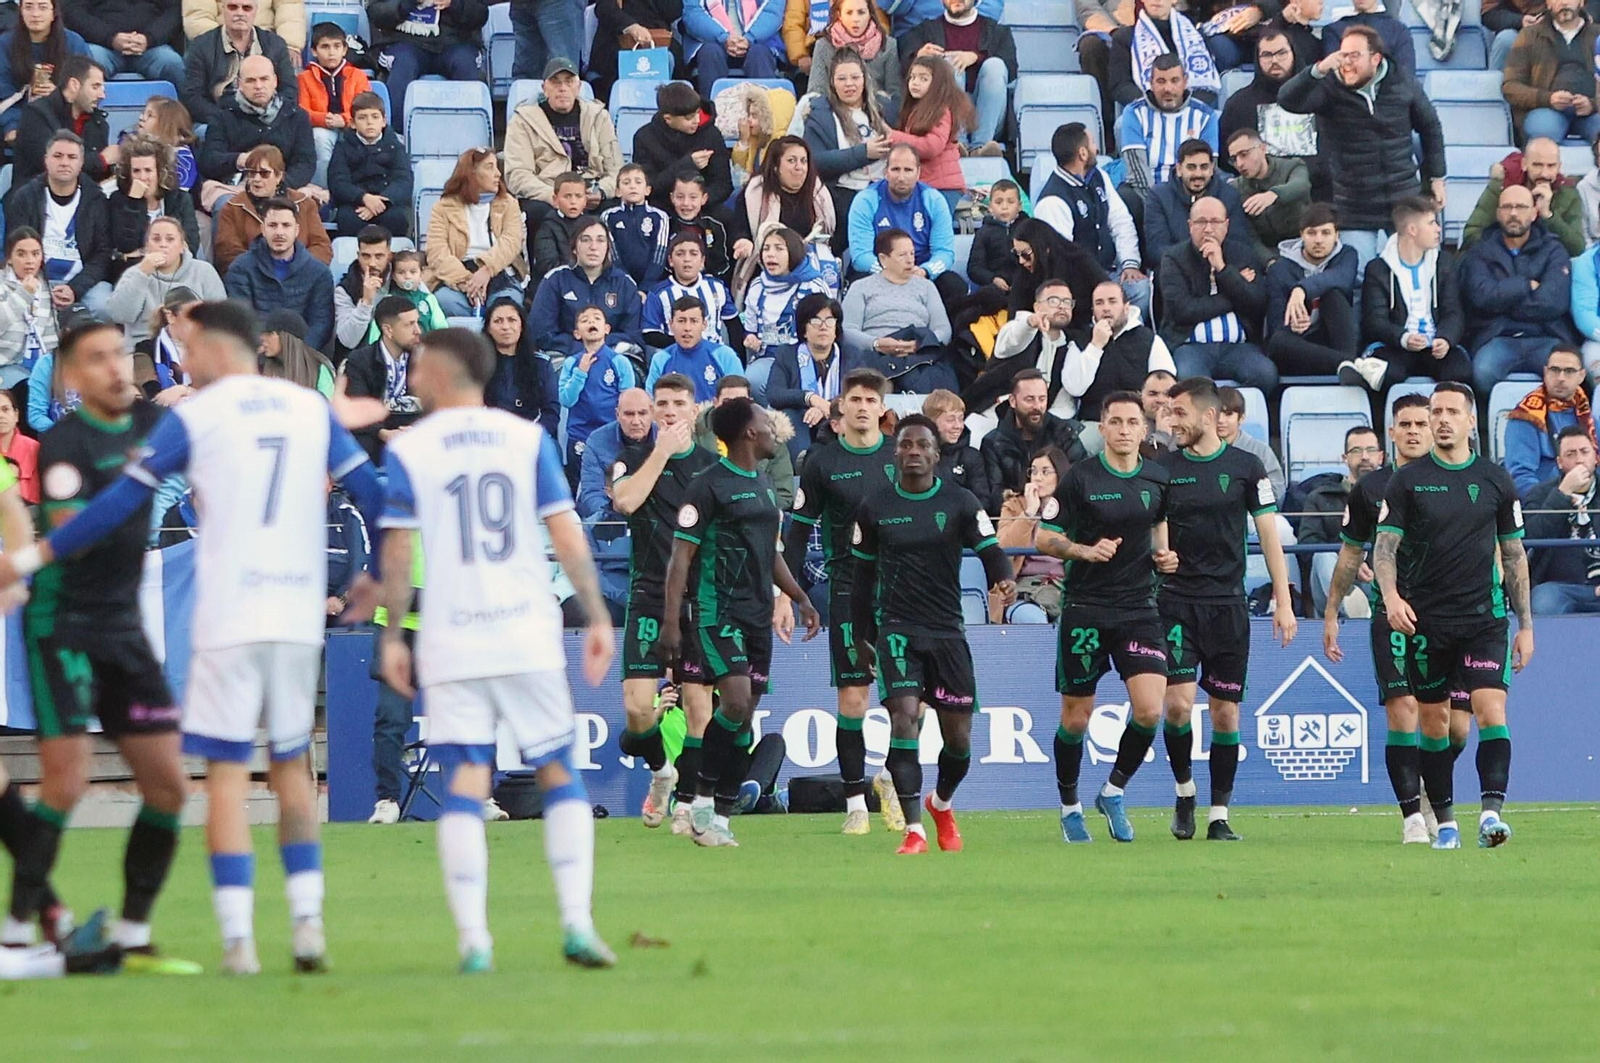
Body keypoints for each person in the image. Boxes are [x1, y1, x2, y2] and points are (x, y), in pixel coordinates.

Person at [0, 299, 385, 974]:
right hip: (280, 616)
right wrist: (380, 575)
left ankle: (224, 938)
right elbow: (376, 498)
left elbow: (122, 503)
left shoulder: (191, 417)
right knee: (291, 766)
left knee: (218, 776)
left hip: (218, 618)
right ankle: (305, 926)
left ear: (219, 347)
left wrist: (32, 555)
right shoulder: (306, 408)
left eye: (191, 344)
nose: (181, 355)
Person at [359, 323, 615, 969]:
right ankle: (577, 922)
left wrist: (392, 633)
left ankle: (475, 938)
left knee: (467, 782)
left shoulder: (412, 452)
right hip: (525, 628)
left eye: (420, 366)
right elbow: (565, 533)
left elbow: (395, 551)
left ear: (445, 372)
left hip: (452, 636)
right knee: (559, 771)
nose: (412, 377)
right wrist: (595, 614)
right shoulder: (525, 438)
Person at [0, 320, 195, 972]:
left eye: (119, 353)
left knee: (168, 784)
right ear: (72, 378)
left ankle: (134, 933)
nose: (114, 367)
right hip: (66, 623)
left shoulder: (155, 427)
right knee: (66, 780)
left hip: (124, 627)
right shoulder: (63, 444)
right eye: (97, 359)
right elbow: (81, 530)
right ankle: (16, 931)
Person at [1373, 382, 1532, 850]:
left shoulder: (1496, 480)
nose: (1441, 419)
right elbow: (1385, 547)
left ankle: (1490, 814)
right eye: (1435, 411)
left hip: (1484, 619)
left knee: (1490, 709)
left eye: (1450, 412)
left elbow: (1514, 555)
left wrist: (1526, 625)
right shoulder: (1407, 480)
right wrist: (1391, 596)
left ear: (1470, 422)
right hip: (1427, 623)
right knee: (1437, 723)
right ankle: (1445, 823)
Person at [660, 395, 821, 848]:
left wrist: (799, 597)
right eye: (766, 424)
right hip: (718, 611)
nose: (774, 431)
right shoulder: (707, 485)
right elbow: (680, 558)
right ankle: (699, 797)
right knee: (732, 701)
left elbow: (769, 553)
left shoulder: (766, 485)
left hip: (756, 616)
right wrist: (673, 623)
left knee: (745, 717)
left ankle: (722, 813)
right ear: (750, 432)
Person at [851, 413, 1012, 853]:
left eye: (923, 446)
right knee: (904, 717)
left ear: (937, 455)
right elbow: (861, 580)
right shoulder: (875, 507)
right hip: (897, 629)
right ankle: (914, 830)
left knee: (958, 742)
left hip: (947, 631)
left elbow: (990, 547)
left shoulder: (959, 502)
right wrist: (861, 637)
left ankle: (940, 803)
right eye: (906, 445)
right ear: (896, 452)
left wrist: (1004, 577)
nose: (914, 453)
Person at [1322, 338, 1455, 844]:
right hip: (1390, 610)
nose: (1416, 431)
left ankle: (1431, 790)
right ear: (1392, 433)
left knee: (1449, 723)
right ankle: (1412, 819)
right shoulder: (1371, 489)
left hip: (1451, 614)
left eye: (1424, 423)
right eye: (1407, 425)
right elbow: (1351, 552)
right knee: (1401, 708)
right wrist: (1333, 612)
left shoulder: (1457, 479)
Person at [1156, 376, 1295, 842]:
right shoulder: (1164, 469)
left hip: (1228, 606)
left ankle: (1219, 814)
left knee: (1225, 715)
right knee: (1176, 706)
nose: (1172, 421)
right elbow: (1149, 530)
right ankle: (1184, 791)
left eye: (1180, 413)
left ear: (1209, 417)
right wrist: (1159, 556)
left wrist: (1284, 599)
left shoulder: (1246, 467)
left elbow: (1269, 535)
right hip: (1176, 602)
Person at [1035, 390, 1176, 843]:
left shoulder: (1157, 479)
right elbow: (1044, 536)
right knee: (1077, 719)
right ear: (1102, 428)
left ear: (1144, 429)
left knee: (1151, 710)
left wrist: (1164, 557)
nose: (1123, 430)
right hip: (1086, 609)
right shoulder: (1079, 479)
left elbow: (1158, 526)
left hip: (1139, 608)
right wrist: (1082, 550)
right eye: (1114, 422)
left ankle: (1114, 790)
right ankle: (1070, 805)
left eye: (1132, 422)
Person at [782, 367, 903, 832]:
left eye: (870, 399)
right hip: (850, 592)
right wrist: (788, 594)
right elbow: (796, 534)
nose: (862, 406)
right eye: (854, 399)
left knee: (910, 701)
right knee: (853, 700)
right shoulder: (821, 463)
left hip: (900, 593)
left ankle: (890, 777)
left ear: (881, 408)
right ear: (841, 409)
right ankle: (855, 803)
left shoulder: (900, 456)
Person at [610, 373, 718, 827]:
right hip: (650, 595)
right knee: (638, 709)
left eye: (678, 403)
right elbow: (626, 503)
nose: (669, 411)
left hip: (698, 598)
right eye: (662, 404)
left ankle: (690, 802)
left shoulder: (713, 466)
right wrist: (661, 452)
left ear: (694, 410)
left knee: (698, 707)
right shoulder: (632, 458)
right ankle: (661, 772)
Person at [1277, 25, 1445, 270]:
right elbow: (1287, 99)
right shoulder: (1330, 88)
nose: (1346, 63)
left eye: (1354, 56)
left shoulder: (1402, 82)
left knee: (1421, 272)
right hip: (1355, 207)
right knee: (1356, 279)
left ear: (1375, 58)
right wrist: (1319, 69)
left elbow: (1430, 127)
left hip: (1404, 198)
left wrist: (1436, 177)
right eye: (1343, 55)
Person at [1460, 183, 1578, 398]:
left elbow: (1553, 302)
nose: (1513, 213)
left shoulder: (1553, 250)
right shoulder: (1480, 251)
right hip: (1497, 336)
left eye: (1521, 207)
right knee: (1482, 373)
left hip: (1546, 336)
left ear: (1534, 213)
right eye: (1507, 207)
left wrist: (1503, 301)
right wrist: (1525, 285)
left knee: (1565, 378)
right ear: (1497, 213)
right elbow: (1481, 298)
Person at [1158, 196, 1276, 395]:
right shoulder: (1173, 258)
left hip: (1238, 347)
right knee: (1192, 384)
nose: (1208, 229)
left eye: (1215, 222)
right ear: (1190, 225)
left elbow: (1256, 304)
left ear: (1227, 225)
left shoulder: (1243, 254)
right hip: (1190, 346)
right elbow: (1183, 311)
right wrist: (1233, 292)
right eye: (1201, 222)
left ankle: (1231, 417)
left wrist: (1222, 268)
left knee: (1266, 375)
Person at [1355, 196, 1473, 392]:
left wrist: (1445, 338)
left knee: (1459, 370)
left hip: (1435, 345)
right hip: (1394, 345)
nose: (1438, 229)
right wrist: (1404, 338)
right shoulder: (1378, 268)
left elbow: (1454, 312)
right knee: (1387, 375)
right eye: (1431, 223)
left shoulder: (1444, 263)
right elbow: (1374, 322)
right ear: (1412, 230)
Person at [1035, 123, 1147, 311]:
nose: (1097, 148)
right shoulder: (1052, 202)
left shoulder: (1099, 177)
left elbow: (1121, 221)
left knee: (1140, 288)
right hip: (1079, 283)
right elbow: (1063, 262)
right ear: (1083, 153)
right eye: (1093, 143)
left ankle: (1127, 337)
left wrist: (1130, 263)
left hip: (1110, 272)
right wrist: (1102, 285)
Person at [7, 131, 113, 317]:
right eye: (58, 156)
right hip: (34, 278)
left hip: (83, 282)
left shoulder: (96, 199)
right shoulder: (25, 197)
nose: (64, 162)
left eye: (72, 157)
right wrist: (42, 286)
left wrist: (75, 288)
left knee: (104, 306)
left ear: (81, 163)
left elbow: (102, 254)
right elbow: (16, 250)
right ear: (46, 160)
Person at [197, 55, 318, 216]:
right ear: (240, 84)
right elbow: (210, 160)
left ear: (275, 81)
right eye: (251, 81)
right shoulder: (223, 116)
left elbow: (305, 163)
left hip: (284, 184)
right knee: (226, 205)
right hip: (234, 187)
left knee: (304, 204)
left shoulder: (296, 116)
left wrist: (275, 184)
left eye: (264, 79)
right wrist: (242, 160)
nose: (258, 86)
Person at [845, 144, 964, 304]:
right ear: (885, 172)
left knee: (954, 285)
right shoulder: (866, 200)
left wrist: (924, 271)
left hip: (919, 270)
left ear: (918, 173)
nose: (901, 177)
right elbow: (860, 256)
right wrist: (891, 272)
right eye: (895, 169)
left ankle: (944, 329)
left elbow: (944, 253)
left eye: (908, 170)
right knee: (857, 283)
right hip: (880, 270)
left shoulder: (934, 200)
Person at [503, 58, 625, 212]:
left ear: (578, 86)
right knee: (535, 211)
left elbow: (616, 170)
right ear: (544, 88)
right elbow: (517, 174)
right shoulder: (522, 120)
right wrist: (553, 196)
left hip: (590, 190)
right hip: (549, 192)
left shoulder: (599, 116)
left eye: (569, 82)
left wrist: (601, 191)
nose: (562, 88)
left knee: (619, 209)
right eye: (556, 82)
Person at [842, 227, 955, 392]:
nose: (910, 260)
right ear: (883, 259)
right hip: (875, 353)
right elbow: (847, 330)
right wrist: (877, 343)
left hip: (919, 353)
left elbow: (943, 330)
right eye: (902, 255)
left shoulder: (926, 287)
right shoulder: (860, 287)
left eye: (912, 254)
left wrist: (919, 345)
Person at [897, 0, 1013, 158]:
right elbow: (904, 65)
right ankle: (959, 143)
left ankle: (982, 147)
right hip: (944, 120)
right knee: (948, 65)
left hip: (989, 117)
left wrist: (976, 57)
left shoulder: (997, 32)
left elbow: (1011, 68)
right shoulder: (925, 31)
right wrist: (919, 56)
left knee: (995, 65)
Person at [1218, 29, 1322, 198]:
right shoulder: (1238, 105)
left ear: (1294, 53)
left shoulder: (1321, 96)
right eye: (1266, 55)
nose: (1274, 60)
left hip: (1318, 196)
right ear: (1257, 60)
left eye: (1281, 53)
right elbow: (1226, 159)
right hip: (1258, 199)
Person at [427, 148, 529, 318]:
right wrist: (467, 281)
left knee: (505, 307)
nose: (497, 174)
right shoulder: (443, 207)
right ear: (471, 173)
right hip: (457, 274)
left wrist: (487, 270)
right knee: (447, 303)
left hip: (497, 271)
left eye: (496, 167)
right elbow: (436, 252)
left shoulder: (508, 203)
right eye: (489, 167)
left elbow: (511, 242)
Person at [224, 198, 335, 351]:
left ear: (297, 230)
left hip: (304, 356)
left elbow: (321, 324)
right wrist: (269, 350)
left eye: (286, 225)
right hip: (257, 355)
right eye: (273, 225)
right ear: (263, 229)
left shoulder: (319, 273)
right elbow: (241, 321)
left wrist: (296, 354)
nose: (279, 232)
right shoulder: (240, 269)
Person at [803, 47, 894, 232]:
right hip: (843, 194)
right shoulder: (820, 113)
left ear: (865, 79)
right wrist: (863, 153)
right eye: (841, 79)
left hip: (886, 191)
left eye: (855, 77)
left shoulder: (885, 108)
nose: (849, 84)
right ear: (832, 82)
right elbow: (815, 162)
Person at [1265, 202, 1359, 376]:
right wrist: (1292, 326)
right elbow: (1275, 325)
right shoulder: (1280, 269)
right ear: (1301, 235)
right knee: (1278, 341)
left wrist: (1301, 290)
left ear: (1337, 235)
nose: (1318, 240)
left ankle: (1346, 364)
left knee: (1334, 294)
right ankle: (1351, 366)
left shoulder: (1347, 255)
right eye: (1311, 233)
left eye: (1326, 233)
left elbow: (1342, 278)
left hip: (1334, 338)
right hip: (1301, 349)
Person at [1299, 423, 1383, 615]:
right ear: (1345, 458)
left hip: (1378, 581)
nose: (1364, 457)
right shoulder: (1320, 497)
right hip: (1329, 583)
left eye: (1370, 450)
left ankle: (1358, 609)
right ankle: (1352, 607)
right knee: (1322, 554)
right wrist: (1350, 563)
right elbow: (1306, 548)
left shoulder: (1396, 494)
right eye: (1356, 450)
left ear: (1381, 456)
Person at [530, 218, 644, 356]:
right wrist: (581, 350)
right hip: (565, 356)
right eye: (585, 239)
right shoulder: (555, 280)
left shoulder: (624, 284)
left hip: (614, 355)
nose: (593, 247)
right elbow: (542, 332)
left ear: (608, 246)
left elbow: (632, 334)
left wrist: (600, 347)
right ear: (574, 247)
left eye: (600, 240)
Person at [212, 144, 331, 275]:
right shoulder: (233, 207)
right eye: (252, 173)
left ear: (279, 176)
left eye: (264, 173)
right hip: (252, 281)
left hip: (300, 278)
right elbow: (227, 254)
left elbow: (322, 247)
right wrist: (267, 271)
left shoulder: (304, 203)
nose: (256, 179)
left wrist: (295, 268)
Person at [1116, 54, 1219, 205]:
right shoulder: (1134, 113)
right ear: (1151, 83)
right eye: (1161, 81)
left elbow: (1209, 166)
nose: (1168, 88)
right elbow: (1137, 170)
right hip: (1147, 195)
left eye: (1174, 80)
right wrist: (1159, 205)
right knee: (1126, 197)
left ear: (1185, 82)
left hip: (1190, 192)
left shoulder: (1205, 115)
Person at [106, 218, 226, 348]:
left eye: (170, 239)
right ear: (146, 247)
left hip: (192, 347)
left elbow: (220, 319)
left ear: (182, 247)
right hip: (143, 349)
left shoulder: (204, 271)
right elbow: (120, 315)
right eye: (156, 239)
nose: (163, 245)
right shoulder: (134, 273)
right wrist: (142, 274)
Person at [179, 0, 298, 128]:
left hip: (266, 119)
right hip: (218, 118)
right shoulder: (201, 45)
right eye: (233, 7)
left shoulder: (275, 44)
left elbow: (289, 91)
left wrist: (263, 117)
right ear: (223, 9)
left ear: (255, 11)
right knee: (204, 132)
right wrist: (226, 119)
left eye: (247, 8)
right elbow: (192, 96)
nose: (240, 13)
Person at [366, 0, 488, 122]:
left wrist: (454, 3)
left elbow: (481, 15)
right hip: (405, 41)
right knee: (403, 65)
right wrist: (407, 4)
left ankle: (469, 131)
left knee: (465, 63)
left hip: (456, 42)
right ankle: (396, 134)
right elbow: (376, 13)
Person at [1143, 138, 1253, 271]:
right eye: (1191, 167)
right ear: (1179, 169)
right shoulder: (1159, 197)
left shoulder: (1229, 195)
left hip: (1220, 269)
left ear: (1212, 169)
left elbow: (1240, 244)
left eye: (1204, 167)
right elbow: (1157, 249)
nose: (1198, 174)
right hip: (1177, 272)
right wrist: (1198, 259)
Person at [1462, 139, 1585, 258]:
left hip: (1545, 264)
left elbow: (1577, 248)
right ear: (1524, 164)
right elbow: (1472, 233)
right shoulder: (1501, 187)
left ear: (1559, 167)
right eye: (1537, 165)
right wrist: (1510, 245)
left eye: (1551, 166)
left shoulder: (1568, 193)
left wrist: (1548, 216)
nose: (1544, 173)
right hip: (1499, 262)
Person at [629, 81, 736, 217]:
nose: (696, 120)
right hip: (662, 210)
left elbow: (723, 184)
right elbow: (649, 187)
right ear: (668, 118)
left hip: (704, 209)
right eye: (689, 118)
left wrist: (697, 201)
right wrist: (688, 164)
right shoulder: (644, 137)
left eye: (697, 113)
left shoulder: (711, 134)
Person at [981, 277, 1083, 419]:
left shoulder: (1070, 346)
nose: (1062, 306)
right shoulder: (1017, 328)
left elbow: (1065, 406)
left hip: (1039, 427)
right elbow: (1015, 337)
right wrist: (1030, 322)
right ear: (1037, 307)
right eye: (1053, 300)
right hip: (991, 417)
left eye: (1067, 302)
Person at [557, 305, 638, 480]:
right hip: (580, 434)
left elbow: (629, 401)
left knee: (613, 482)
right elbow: (566, 400)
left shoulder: (619, 362)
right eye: (585, 320)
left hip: (612, 433)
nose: (591, 322)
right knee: (578, 483)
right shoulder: (571, 363)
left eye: (596, 318)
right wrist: (581, 372)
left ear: (606, 329)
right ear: (577, 333)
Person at [1525, 425, 1600, 614]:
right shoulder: (1540, 494)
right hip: (1559, 588)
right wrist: (1562, 493)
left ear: (1595, 456)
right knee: (1543, 603)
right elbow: (1530, 536)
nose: (1579, 460)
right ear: (1559, 462)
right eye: (1570, 454)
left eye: (1584, 452)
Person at [1501, 0, 1600, 143]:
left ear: (1581, 2)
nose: (1564, 3)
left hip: (1592, 113)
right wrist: (1548, 98)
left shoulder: (1598, 36)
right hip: (1546, 110)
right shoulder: (1529, 36)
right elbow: (1510, 87)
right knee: (1543, 132)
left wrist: (1592, 104)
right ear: (1547, 3)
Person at [1504, 346, 1595, 499]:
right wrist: (1556, 501)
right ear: (1545, 373)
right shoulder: (1526, 415)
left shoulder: (1588, 414)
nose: (1561, 377)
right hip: (1546, 505)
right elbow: (1520, 476)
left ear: (1582, 376)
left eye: (1569, 371)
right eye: (1554, 370)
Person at [341, 295, 424, 461]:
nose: (418, 331)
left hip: (416, 428)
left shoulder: (425, 358)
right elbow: (356, 408)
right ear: (388, 330)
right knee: (359, 446)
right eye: (409, 325)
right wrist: (385, 434)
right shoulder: (360, 360)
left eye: (417, 322)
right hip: (376, 433)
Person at [107, 136, 200, 283]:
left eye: (148, 170)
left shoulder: (180, 199)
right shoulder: (118, 200)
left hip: (175, 274)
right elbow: (125, 245)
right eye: (136, 171)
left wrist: (142, 252)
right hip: (134, 276)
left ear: (160, 173)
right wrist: (134, 202)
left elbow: (190, 245)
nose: (142, 177)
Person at [691, 374, 797, 503]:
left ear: (751, 403)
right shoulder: (692, 433)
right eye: (727, 402)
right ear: (715, 402)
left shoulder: (773, 437)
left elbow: (784, 494)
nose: (734, 409)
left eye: (741, 402)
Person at [980, 369, 1081, 501]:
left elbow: (1081, 480)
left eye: (1042, 399)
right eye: (1029, 399)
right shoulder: (993, 443)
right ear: (1012, 401)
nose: (1037, 406)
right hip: (1014, 514)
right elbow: (995, 495)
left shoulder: (1064, 432)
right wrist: (1028, 504)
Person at [12, 54, 110, 189]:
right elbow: (51, 166)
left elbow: (98, 177)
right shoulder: (36, 114)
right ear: (74, 85)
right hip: (34, 199)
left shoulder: (98, 123)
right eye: (95, 87)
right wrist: (101, 160)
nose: (102, 95)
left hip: (82, 200)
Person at [990, 445, 1065, 622]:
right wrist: (1029, 513)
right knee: (1032, 620)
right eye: (1034, 472)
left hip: (1065, 588)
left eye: (1045, 472)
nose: (1038, 478)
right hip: (1023, 588)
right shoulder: (1014, 506)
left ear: (1060, 475)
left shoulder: (1075, 507)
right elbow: (1003, 550)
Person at [0, 0, 90, 143]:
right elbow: (3, 93)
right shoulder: (5, 43)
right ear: (20, 11)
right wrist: (13, 126)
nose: (35, 14)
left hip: (65, 121)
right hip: (16, 120)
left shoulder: (73, 43)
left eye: (42, 7)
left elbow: (87, 88)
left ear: (53, 12)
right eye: (28, 7)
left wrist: (59, 95)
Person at [326, 91, 410, 239]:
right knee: (347, 220)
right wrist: (364, 198)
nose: (369, 122)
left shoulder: (396, 147)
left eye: (375, 117)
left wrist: (380, 202)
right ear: (352, 123)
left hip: (387, 203)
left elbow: (403, 180)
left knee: (397, 220)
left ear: (384, 121)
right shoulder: (342, 147)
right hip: (354, 204)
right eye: (362, 118)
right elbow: (338, 182)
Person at [1107, 0, 1220, 110]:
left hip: (1192, 110)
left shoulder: (1196, 36)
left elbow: (1207, 85)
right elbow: (1120, 85)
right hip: (1146, 112)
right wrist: (1155, 104)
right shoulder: (1124, 38)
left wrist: (1184, 107)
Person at [297, 21, 371, 188]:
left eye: (337, 46)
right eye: (325, 47)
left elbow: (365, 108)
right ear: (314, 51)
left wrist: (344, 120)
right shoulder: (304, 78)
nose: (331, 53)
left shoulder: (357, 76)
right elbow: (302, 111)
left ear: (345, 49)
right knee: (319, 138)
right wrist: (325, 119)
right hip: (323, 128)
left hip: (352, 127)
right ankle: (325, 192)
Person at [740, 224, 832, 352]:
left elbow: (830, 329)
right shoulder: (757, 286)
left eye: (779, 248)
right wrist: (751, 339)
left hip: (805, 358)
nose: (770, 254)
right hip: (766, 358)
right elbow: (750, 330)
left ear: (794, 252)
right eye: (766, 249)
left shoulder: (814, 287)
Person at [738, 135, 837, 252]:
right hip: (767, 263)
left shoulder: (820, 193)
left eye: (803, 161)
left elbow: (835, 237)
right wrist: (744, 242)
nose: (799, 167)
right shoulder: (754, 193)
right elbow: (740, 231)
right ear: (776, 167)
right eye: (791, 161)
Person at [1006, 217, 1106, 330]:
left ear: (1045, 248)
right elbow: (1014, 318)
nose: (1021, 261)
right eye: (1017, 254)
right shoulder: (1023, 272)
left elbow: (1106, 292)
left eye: (1025, 254)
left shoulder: (1080, 263)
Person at [766, 291, 842, 437]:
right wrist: (810, 398)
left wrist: (824, 406)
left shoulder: (850, 355)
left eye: (829, 321)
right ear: (804, 330)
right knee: (790, 415)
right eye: (816, 321)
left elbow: (854, 392)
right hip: (803, 423)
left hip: (838, 422)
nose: (823, 327)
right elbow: (774, 394)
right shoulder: (787, 354)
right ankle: (802, 458)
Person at [643, 232, 738, 349]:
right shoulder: (659, 294)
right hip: (676, 359)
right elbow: (650, 334)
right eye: (680, 254)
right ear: (670, 260)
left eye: (693, 254)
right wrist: (686, 344)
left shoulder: (717, 287)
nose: (687, 259)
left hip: (716, 357)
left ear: (702, 261)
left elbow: (734, 326)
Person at [482, 297, 559, 437]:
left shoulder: (541, 363)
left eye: (512, 320)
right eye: (498, 321)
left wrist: (525, 438)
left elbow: (551, 412)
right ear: (488, 328)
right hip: (489, 440)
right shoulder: (476, 365)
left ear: (522, 325)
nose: (505, 327)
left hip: (531, 440)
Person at [1227, 128, 1310, 254]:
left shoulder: (1292, 166)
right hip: (1267, 253)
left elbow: (1301, 185)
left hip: (1304, 245)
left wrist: (1274, 194)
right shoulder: (1236, 188)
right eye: (1234, 159)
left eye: (1244, 154)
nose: (1239, 164)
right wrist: (1269, 261)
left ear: (1262, 148)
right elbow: (1249, 235)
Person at [645, 297, 743, 401]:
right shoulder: (661, 359)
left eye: (694, 321)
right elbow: (651, 401)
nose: (687, 328)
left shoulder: (725, 355)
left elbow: (738, 400)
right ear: (671, 325)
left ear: (704, 325)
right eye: (681, 321)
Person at [63, 0, 183, 84]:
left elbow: (174, 11)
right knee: (85, 68)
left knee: (173, 63)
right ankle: (80, 119)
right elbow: (74, 12)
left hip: (152, 48)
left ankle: (189, 118)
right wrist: (111, 37)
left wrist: (149, 38)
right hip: (103, 46)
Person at [682, 0, 784, 97]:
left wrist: (750, 38)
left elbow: (772, 11)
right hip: (712, 41)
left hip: (758, 41)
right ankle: (711, 110)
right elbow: (693, 12)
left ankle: (765, 111)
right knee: (710, 52)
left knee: (759, 53)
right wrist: (723, 37)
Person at [804, 0, 897, 107]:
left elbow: (894, 93)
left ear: (870, 14)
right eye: (849, 13)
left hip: (876, 112)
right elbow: (816, 91)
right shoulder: (823, 46)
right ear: (839, 15)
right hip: (833, 112)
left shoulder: (888, 45)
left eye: (861, 12)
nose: (855, 19)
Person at [588, 0, 680, 103]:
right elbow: (604, 7)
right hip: (618, 38)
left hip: (660, 40)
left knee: (672, 60)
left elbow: (673, 11)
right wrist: (631, 27)